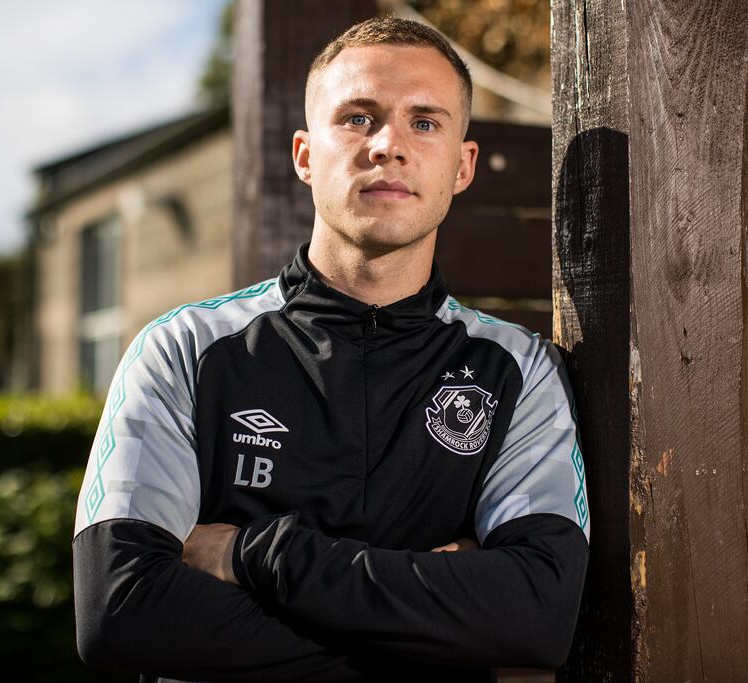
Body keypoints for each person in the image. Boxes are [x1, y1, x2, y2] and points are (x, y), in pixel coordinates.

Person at [72, 16, 591, 683]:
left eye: (425, 122)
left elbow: (537, 614)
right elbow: (121, 609)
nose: (388, 146)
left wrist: (254, 554)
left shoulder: (517, 368)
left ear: (462, 166)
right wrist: (430, 619)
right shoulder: (183, 350)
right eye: (356, 117)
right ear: (305, 155)